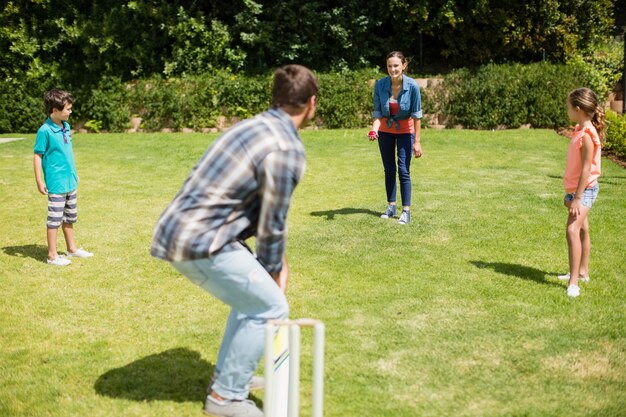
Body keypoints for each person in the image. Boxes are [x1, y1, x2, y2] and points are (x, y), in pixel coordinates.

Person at [150, 64, 318, 417]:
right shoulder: (287, 148)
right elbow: (272, 222)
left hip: (181, 231)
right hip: (203, 240)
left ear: (274, 98)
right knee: (270, 306)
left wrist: (273, 263)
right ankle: (225, 397)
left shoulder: (248, 126)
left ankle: (226, 379)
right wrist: (272, 269)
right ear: (312, 104)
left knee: (250, 301)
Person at [33, 89, 93, 266]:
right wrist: (39, 180)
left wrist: (74, 174)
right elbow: (38, 156)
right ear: (55, 110)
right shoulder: (44, 131)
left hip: (70, 182)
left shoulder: (65, 127)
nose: (70, 111)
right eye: (68, 109)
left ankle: (71, 249)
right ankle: (52, 256)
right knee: (54, 220)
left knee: (69, 217)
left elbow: (67, 155)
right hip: (56, 184)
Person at [558, 87, 605, 298]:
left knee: (572, 230)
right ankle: (582, 272)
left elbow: (586, 169)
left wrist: (576, 198)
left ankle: (574, 282)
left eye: (569, 108)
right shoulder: (579, 129)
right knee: (583, 229)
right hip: (576, 190)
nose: (567, 111)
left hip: (584, 191)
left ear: (578, 109)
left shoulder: (587, 135)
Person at [368, 51, 423, 225]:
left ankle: (406, 211)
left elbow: (416, 115)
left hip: (406, 131)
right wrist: (374, 130)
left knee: (403, 170)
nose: (393, 69)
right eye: (390, 66)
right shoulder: (380, 85)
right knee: (389, 169)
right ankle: (391, 206)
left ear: (404, 66)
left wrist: (417, 142)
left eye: (396, 65)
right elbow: (377, 112)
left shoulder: (412, 86)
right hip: (385, 131)